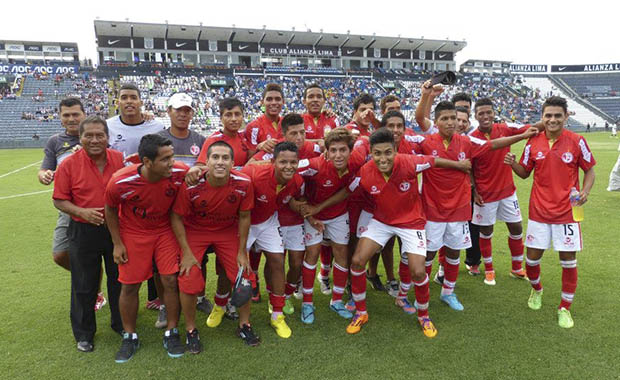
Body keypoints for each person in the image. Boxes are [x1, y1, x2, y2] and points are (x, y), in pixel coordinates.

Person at [415, 100, 538, 311]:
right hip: (433, 211)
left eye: (453, 118)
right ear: (436, 122)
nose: (450, 122)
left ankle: (448, 292)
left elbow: (495, 144)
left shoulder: (466, 142)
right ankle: (422, 295)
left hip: (459, 211)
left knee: (454, 252)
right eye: (445, 119)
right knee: (429, 254)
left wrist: (521, 136)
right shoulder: (425, 142)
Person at [346, 128, 470, 337]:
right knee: (358, 261)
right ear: (371, 153)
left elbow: (434, 160)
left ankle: (424, 316)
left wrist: (459, 165)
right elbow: (347, 190)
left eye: (388, 152)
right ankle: (361, 312)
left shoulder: (410, 163)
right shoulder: (365, 172)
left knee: (418, 272)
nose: (383, 158)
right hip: (382, 222)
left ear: (395, 151)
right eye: (377, 153)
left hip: (412, 223)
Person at [506, 96, 596, 329]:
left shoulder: (577, 141)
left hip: (567, 212)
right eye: (548, 115)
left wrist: (585, 191)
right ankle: (537, 290)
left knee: (568, 260)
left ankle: (564, 307)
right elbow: (525, 172)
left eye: (557, 115)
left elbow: (590, 170)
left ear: (566, 116)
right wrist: (513, 163)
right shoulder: (533, 142)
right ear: (542, 118)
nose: (553, 119)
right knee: (531, 259)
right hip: (539, 212)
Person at [105, 134, 188, 362]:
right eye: (165, 159)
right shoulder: (120, 181)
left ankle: (172, 331)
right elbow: (110, 209)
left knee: (170, 280)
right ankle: (129, 335)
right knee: (130, 286)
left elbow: (198, 176)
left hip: (164, 231)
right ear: (147, 162)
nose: (172, 162)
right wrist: (117, 243)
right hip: (133, 233)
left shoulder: (179, 173)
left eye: (172, 156)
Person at [171, 141, 258, 351]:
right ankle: (191, 329)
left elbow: (245, 216)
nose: (220, 162)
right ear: (206, 162)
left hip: (227, 231)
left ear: (233, 162)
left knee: (244, 274)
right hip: (195, 230)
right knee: (189, 276)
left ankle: (244, 324)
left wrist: (242, 251)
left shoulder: (244, 183)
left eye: (225, 158)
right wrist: (186, 252)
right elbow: (176, 217)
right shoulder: (191, 184)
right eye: (215, 158)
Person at [52, 116, 124, 352]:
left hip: (115, 229)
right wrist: (82, 212)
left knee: (119, 280)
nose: (94, 140)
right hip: (82, 231)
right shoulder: (68, 164)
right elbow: (60, 200)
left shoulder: (118, 159)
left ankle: (121, 324)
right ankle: (84, 334)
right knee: (84, 283)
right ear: (80, 138)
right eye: (89, 135)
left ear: (107, 137)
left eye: (99, 135)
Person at [247, 113, 322, 311]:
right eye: (294, 133)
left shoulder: (310, 149)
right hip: (274, 216)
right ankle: (273, 295)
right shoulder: (272, 149)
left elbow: (327, 147)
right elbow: (249, 168)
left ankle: (286, 294)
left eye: (302, 133)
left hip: (296, 216)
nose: (299, 138)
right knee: (274, 260)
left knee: (296, 263)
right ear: (283, 135)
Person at [107, 83, 166, 316]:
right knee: (130, 256)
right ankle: (124, 300)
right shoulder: (109, 126)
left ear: (142, 102)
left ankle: (156, 299)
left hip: (152, 195)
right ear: (117, 101)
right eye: (124, 97)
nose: (129, 101)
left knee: (158, 258)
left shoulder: (156, 125)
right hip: (122, 194)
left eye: (133, 97)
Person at [297, 128, 365, 324]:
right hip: (314, 216)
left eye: (342, 150)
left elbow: (345, 191)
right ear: (325, 151)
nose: (338, 155)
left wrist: (320, 206)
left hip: (338, 214)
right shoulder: (314, 165)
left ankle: (336, 301)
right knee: (312, 254)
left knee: (342, 254)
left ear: (350, 151)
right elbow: (284, 167)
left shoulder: (357, 160)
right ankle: (308, 303)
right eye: (333, 150)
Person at [469, 97, 538, 285]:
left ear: (494, 113)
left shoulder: (504, 127)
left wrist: (548, 121)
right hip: (486, 194)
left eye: (488, 112)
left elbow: (530, 127)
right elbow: (469, 168)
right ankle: (489, 270)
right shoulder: (472, 138)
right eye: (481, 113)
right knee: (486, 231)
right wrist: (474, 192)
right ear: (475, 116)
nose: (485, 116)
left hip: (508, 191)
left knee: (516, 228)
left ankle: (516, 268)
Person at [241, 142, 305, 338]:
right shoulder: (253, 173)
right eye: (283, 161)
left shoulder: (297, 182)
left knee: (277, 261)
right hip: (245, 222)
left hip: (268, 221)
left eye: (293, 162)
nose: (288, 166)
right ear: (272, 161)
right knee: (238, 267)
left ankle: (277, 315)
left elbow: (288, 199)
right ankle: (228, 307)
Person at [157, 92, 212, 316]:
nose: (182, 114)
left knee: (201, 256)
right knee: (162, 261)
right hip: (163, 207)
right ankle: (164, 305)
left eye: (187, 110)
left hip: (193, 210)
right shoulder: (158, 138)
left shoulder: (199, 140)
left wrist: (198, 170)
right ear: (169, 111)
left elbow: (206, 169)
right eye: (178, 109)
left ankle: (199, 296)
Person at [244, 83, 284, 153]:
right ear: (262, 102)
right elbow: (249, 158)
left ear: (283, 102)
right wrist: (259, 147)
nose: (274, 102)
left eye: (277, 99)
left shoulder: (287, 124)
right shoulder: (253, 127)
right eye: (269, 99)